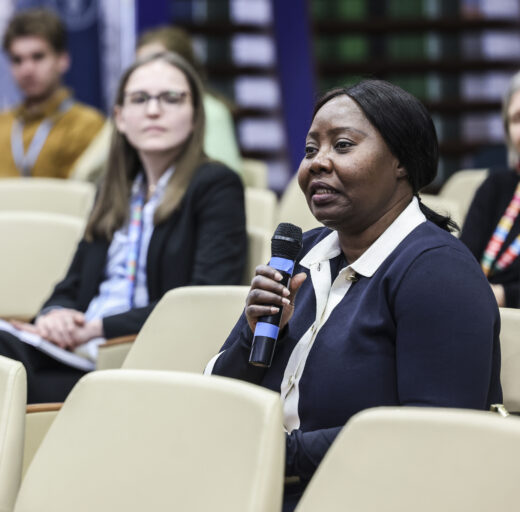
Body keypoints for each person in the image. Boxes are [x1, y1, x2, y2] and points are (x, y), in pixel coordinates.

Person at [207, 80, 502, 511]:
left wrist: (277, 454)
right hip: (254, 486)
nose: (318, 163)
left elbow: (434, 435)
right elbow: (216, 403)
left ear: (401, 161)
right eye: (310, 150)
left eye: (342, 145)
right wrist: (251, 335)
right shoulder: (302, 254)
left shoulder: (438, 272)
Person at [0, 51, 247, 403]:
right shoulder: (114, 191)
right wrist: (56, 315)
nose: (153, 110)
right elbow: (71, 283)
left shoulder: (216, 185)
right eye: (140, 99)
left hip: (142, 361)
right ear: (120, 118)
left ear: (195, 116)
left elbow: (203, 298)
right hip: (78, 354)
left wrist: (97, 328)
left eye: (171, 98)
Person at [0, 8, 106, 224]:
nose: (27, 69)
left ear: (62, 60)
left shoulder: (87, 125)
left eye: (38, 57)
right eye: (17, 60)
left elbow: (85, 202)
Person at [70, 25, 242, 182]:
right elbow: (84, 172)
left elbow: (222, 179)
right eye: (141, 65)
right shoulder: (130, 108)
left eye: (160, 64)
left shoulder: (211, 111)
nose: (152, 111)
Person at [461, 70, 520, 308]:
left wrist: (504, 295)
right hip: (478, 317)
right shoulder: (496, 186)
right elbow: (461, 263)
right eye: (517, 119)